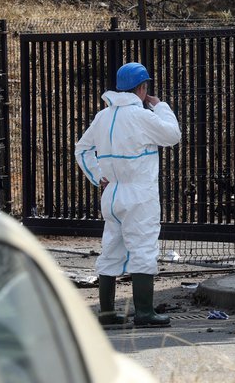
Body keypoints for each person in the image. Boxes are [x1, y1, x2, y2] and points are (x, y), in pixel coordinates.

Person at [75, 62, 181, 328]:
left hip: (112, 194)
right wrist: (162, 106)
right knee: (143, 249)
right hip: (139, 195)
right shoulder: (142, 116)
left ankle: (108, 313)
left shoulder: (103, 117)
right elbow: (173, 135)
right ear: (143, 88)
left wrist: (97, 174)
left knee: (111, 249)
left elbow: (81, 150)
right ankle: (145, 312)